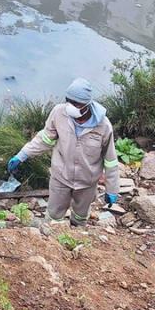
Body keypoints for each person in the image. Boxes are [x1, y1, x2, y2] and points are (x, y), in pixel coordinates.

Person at [7, 78, 120, 226]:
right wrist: (22, 154)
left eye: (76, 104)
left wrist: (112, 189)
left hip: (87, 182)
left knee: (80, 215)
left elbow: (110, 161)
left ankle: (77, 233)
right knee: (54, 214)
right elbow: (45, 139)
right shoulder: (59, 113)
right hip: (61, 176)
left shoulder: (103, 126)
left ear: (87, 104)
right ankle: (53, 240)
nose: (71, 106)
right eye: (69, 101)